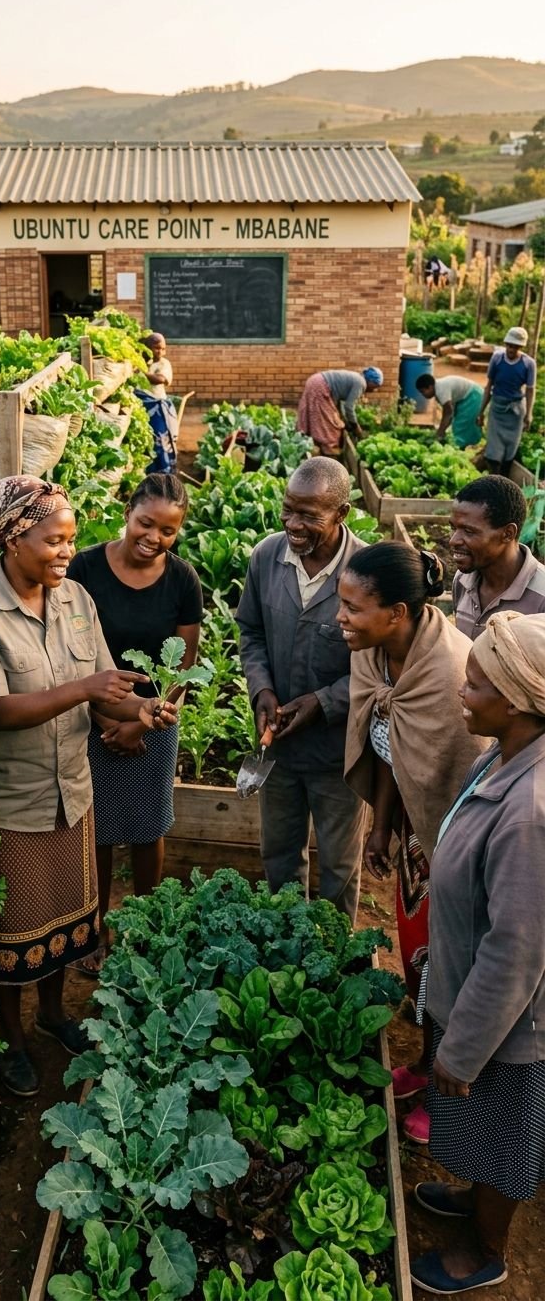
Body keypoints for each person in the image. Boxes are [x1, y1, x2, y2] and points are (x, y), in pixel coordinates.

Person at [0, 476, 177, 1097]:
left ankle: (52, 1016)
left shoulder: (74, 599)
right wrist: (89, 692)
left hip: (73, 792)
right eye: (54, 541)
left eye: (71, 539)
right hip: (10, 801)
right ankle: (12, 1040)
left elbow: (104, 689)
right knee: (12, 932)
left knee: (68, 922)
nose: (67, 552)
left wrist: (140, 714)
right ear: (15, 539)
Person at [410, 611, 545, 1297]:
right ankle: (474, 1201)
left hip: (511, 1026)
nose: (462, 693)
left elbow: (516, 949)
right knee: (482, 1123)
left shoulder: (532, 810)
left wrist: (462, 1048)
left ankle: (487, 1251)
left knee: (505, 1129)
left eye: (475, 685)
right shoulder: (506, 754)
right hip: (475, 1000)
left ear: (518, 702)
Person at [340, 543, 488, 1145]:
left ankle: (443, 1080)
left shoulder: (452, 673)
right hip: (414, 842)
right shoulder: (375, 659)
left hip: (457, 847)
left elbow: (454, 776)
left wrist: (429, 847)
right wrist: (380, 825)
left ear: (397, 612)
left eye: (353, 608)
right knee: (420, 954)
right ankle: (426, 1059)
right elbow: (394, 746)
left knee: (451, 960)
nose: (340, 619)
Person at [67, 473, 203, 974]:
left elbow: (182, 668)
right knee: (97, 829)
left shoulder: (183, 580)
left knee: (148, 826)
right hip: (92, 718)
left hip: (157, 722)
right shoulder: (84, 569)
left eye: (168, 531)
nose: (154, 538)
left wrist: (143, 724)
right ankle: (94, 928)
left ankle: (145, 926)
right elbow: (69, 651)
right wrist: (107, 717)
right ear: (128, 512)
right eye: (146, 523)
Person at [236, 457, 367, 921]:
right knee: (280, 856)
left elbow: (383, 669)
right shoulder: (267, 557)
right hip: (279, 751)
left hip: (338, 757)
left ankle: (333, 960)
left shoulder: (367, 572)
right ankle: (287, 947)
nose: (294, 524)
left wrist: (324, 701)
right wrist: (262, 690)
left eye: (310, 516)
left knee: (339, 865)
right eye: (289, 509)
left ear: (342, 514)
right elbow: (250, 631)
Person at [450, 475, 545, 640]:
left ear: (508, 534)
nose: (453, 540)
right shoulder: (462, 580)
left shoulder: (541, 598)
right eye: (453, 528)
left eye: (469, 531)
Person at [477, 326, 537, 477]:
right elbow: (488, 386)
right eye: (509, 346)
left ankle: (504, 480)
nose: (511, 349)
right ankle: (494, 479)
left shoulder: (529, 364)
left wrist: (528, 414)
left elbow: (530, 390)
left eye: (515, 347)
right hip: (497, 408)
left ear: (521, 347)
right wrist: (481, 412)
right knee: (493, 451)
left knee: (510, 449)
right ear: (505, 344)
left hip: (516, 410)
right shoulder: (497, 359)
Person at [296, 367, 384, 455]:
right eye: (376, 386)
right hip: (320, 386)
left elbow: (342, 404)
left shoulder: (357, 378)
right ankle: (329, 450)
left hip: (315, 381)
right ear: (371, 381)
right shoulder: (361, 383)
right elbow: (349, 407)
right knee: (329, 423)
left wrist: (345, 420)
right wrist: (355, 426)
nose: (375, 390)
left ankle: (311, 442)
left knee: (316, 415)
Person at [415, 372, 484, 449]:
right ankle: (470, 445)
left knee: (462, 424)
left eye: (423, 391)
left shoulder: (440, 389)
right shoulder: (438, 388)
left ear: (430, 387)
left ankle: (462, 448)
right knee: (460, 423)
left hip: (473, 396)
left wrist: (440, 432)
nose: (423, 395)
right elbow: (450, 414)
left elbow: (448, 413)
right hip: (467, 397)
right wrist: (442, 429)